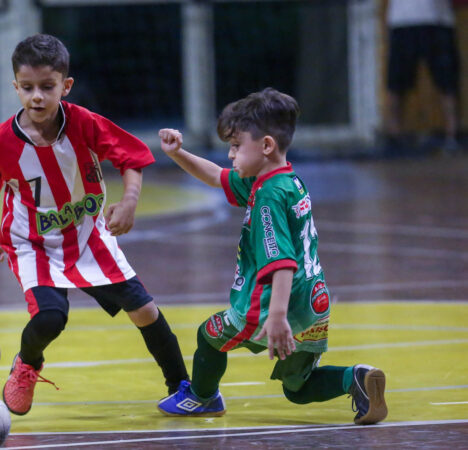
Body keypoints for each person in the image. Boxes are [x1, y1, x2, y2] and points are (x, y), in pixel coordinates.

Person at [0, 34, 189, 416]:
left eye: (46, 87)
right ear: (15, 87)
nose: (36, 96)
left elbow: (132, 157)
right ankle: (27, 364)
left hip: (88, 236)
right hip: (32, 242)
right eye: (27, 88)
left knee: (144, 310)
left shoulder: (85, 123)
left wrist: (129, 201)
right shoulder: (3, 140)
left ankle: (183, 387)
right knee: (51, 318)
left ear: (65, 86)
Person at [156, 88, 387, 425]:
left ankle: (203, 398)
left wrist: (276, 315)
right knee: (298, 386)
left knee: (209, 335)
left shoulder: (268, 196)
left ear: (265, 146)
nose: (231, 156)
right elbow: (217, 177)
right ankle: (357, 378)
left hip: (274, 305)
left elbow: (280, 262)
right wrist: (179, 154)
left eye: (236, 147)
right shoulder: (285, 180)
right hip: (314, 302)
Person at [385, 0, 462, 154]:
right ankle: (394, 136)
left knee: (447, 80)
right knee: (397, 81)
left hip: (437, 19)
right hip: (403, 20)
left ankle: (453, 135)